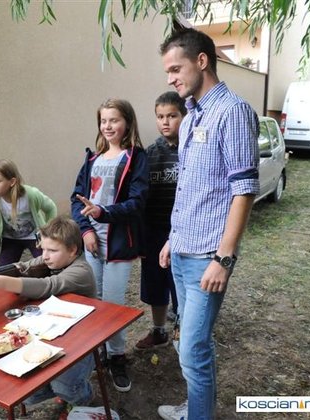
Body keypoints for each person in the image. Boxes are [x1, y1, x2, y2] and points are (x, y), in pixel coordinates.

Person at [157, 28, 259, 420]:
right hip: (183, 250)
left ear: (202, 61)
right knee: (190, 343)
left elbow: (243, 191)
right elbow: (190, 189)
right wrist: (172, 238)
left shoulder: (233, 112)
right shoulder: (190, 118)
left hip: (207, 258)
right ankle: (195, 408)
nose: (171, 78)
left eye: (175, 69)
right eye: (167, 71)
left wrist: (224, 258)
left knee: (192, 349)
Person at [0, 216, 96, 414]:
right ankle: (62, 389)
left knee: (64, 386)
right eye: (43, 249)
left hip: (84, 340)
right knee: (28, 392)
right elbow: (28, 266)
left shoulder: (81, 271)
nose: (45, 256)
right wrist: (10, 272)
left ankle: (82, 398)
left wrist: (3, 282)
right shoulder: (53, 261)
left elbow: (48, 285)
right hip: (56, 332)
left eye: (52, 250)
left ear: (72, 250)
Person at [71, 98, 149, 393]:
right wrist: (86, 230)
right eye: (103, 121)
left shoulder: (135, 158)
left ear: (127, 122)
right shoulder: (92, 159)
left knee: (113, 305)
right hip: (93, 242)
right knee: (95, 301)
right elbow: (76, 198)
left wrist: (103, 213)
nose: (107, 126)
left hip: (119, 245)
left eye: (114, 120)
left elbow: (137, 203)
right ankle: (99, 351)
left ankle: (117, 356)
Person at [134, 92, 186, 351]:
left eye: (172, 116)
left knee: (181, 285)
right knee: (156, 283)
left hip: (184, 231)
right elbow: (140, 198)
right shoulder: (149, 154)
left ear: (184, 116)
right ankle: (159, 331)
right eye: (160, 116)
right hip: (154, 231)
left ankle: (182, 334)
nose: (165, 122)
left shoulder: (193, 151)